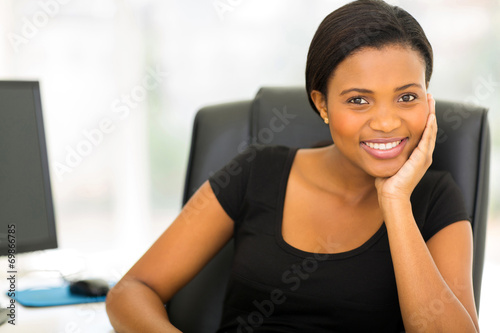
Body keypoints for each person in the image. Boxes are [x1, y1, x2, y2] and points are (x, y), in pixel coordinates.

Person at [106, 0, 480, 332]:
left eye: (407, 97)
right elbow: (132, 290)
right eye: (358, 101)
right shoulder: (257, 173)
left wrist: (396, 202)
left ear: (428, 100)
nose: (386, 122)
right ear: (322, 104)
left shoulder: (436, 198)